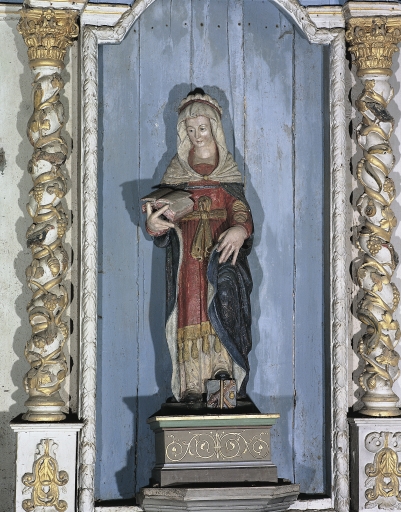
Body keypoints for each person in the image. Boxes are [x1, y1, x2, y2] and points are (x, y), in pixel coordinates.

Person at [146, 89, 253, 403]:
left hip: (221, 254)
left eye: (202, 129)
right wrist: (154, 225)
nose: (197, 136)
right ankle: (191, 386)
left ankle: (222, 387)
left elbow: (239, 207)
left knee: (222, 308)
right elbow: (162, 213)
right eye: (190, 130)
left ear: (215, 128)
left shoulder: (227, 171)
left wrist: (240, 229)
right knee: (190, 310)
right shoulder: (177, 171)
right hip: (187, 259)